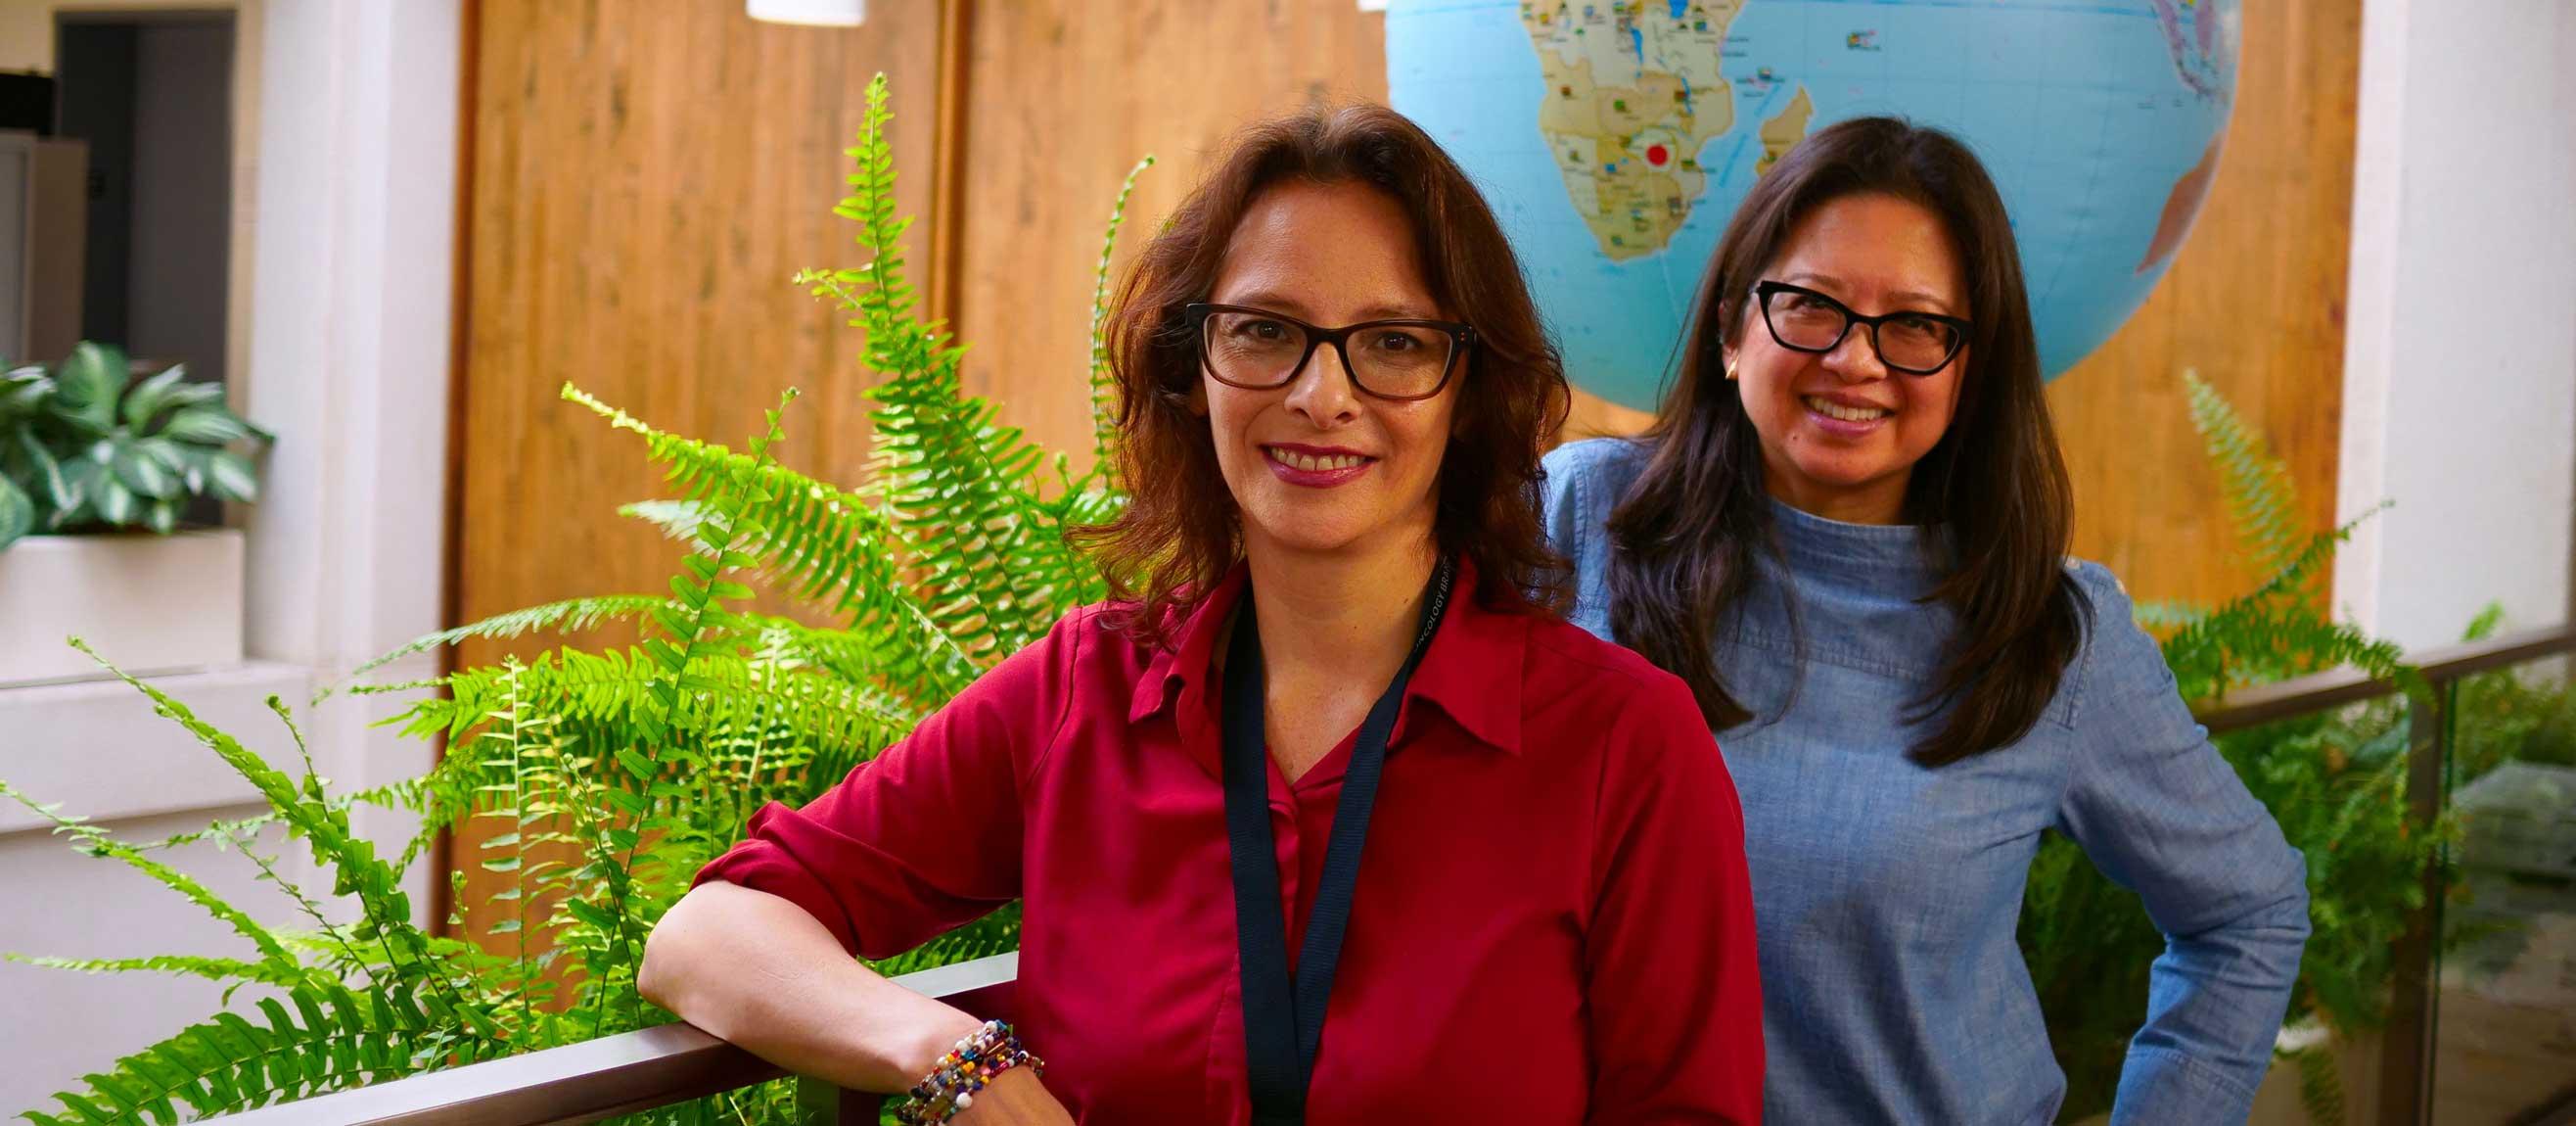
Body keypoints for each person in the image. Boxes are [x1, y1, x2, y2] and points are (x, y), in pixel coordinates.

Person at [641, 104, 1764, 1125]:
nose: (1321, 394)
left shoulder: (1623, 745)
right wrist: (947, 1048)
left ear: (1468, 394)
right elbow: (708, 935)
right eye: (1265, 330)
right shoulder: (1082, 690)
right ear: (1193, 370)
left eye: (1393, 343)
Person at [1541, 117, 2309, 1125]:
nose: (1856, 361)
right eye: (1810, 305)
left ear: (1969, 370)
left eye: (1915, 324)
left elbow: (2249, 908)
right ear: (1732, 330)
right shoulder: (1581, 518)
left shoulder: (2047, 633)